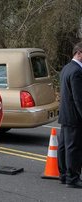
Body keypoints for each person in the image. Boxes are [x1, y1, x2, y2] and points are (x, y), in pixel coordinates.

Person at [57, 42, 82, 188]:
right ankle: (72, 178)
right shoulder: (77, 71)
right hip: (74, 116)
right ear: (78, 53)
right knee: (74, 147)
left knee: (64, 146)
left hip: (65, 114)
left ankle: (63, 175)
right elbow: (78, 98)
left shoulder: (66, 68)